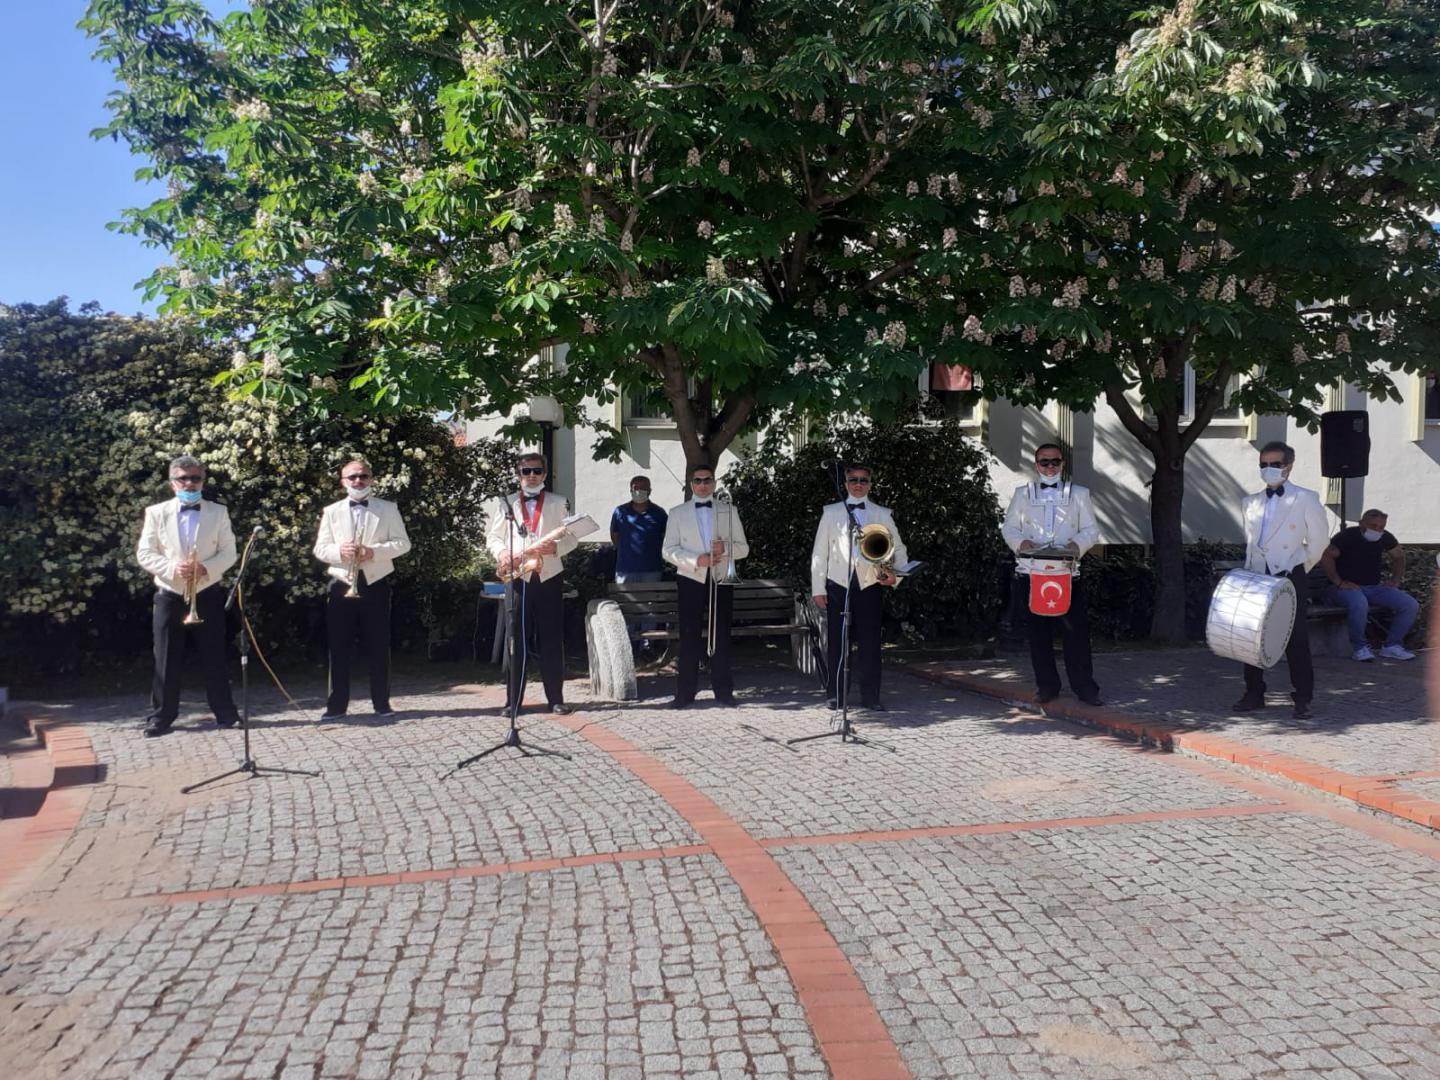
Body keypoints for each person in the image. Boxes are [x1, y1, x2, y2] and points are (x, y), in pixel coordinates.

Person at [134, 455, 241, 737]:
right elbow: (145, 553)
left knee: (214, 655)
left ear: (203, 481)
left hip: (206, 592)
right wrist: (172, 568)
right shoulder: (156, 512)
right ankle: (161, 716)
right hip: (170, 592)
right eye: (183, 478)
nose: (190, 483)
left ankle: (226, 714)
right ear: (173, 483)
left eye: (195, 478)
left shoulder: (218, 512)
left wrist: (205, 568)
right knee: (166, 658)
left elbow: (229, 552)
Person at [1000, 443, 1102, 707]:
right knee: (1038, 636)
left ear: (1062, 464)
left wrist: (1076, 546)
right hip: (1032, 574)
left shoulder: (1079, 494)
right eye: (1044, 462)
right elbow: (1009, 528)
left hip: (1066, 574)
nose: (1050, 467)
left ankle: (1085, 688)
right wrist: (1021, 543)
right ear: (1037, 465)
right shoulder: (1022, 494)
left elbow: (1090, 529)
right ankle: (1047, 686)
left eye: (1055, 462)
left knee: (1076, 635)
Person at [1234, 441, 1330, 719]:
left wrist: (1299, 566)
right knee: (1251, 636)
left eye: (1274, 464)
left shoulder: (1305, 498)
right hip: (1257, 575)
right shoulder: (1250, 502)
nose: (1268, 469)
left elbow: (1319, 541)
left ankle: (1303, 697)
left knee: (1295, 638)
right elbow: (1251, 543)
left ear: (1289, 466)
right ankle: (1254, 692)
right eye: (1263, 465)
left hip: (1288, 573)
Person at [313, 458, 412, 721]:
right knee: (338, 646)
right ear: (343, 482)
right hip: (341, 583)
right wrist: (340, 552)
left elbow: (403, 544)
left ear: (371, 479)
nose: (358, 481)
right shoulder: (331, 511)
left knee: (379, 645)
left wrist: (373, 552)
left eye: (363, 476)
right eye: (352, 477)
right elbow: (320, 549)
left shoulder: (388, 508)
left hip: (375, 581)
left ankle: (382, 704)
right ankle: (336, 706)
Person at [810, 463, 908, 712]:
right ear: (845, 484)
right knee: (837, 641)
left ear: (870, 485)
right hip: (838, 583)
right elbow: (820, 552)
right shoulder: (830, 512)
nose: (858, 484)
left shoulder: (882, 513)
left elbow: (899, 548)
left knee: (870, 642)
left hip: (870, 583)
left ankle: (871, 696)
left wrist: (895, 576)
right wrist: (818, 587)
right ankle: (835, 695)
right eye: (853, 479)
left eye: (863, 480)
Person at [487, 452, 577, 715]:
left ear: (545, 474)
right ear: (519, 475)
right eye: (526, 471)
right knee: (515, 640)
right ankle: (513, 702)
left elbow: (573, 537)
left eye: (537, 471)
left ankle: (556, 699)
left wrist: (557, 548)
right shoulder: (507, 503)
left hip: (549, 575)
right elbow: (494, 537)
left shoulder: (559, 502)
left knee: (552, 639)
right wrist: (502, 553)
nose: (532, 476)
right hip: (518, 577)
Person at [662, 465, 749, 708]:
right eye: (698, 480)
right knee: (689, 634)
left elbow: (744, 548)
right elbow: (668, 550)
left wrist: (726, 549)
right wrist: (696, 560)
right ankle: (685, 694)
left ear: (714, 483)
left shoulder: (729, 510)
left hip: (721, 577)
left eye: (707, 480)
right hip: (691, 577)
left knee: (721, 634)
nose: (702, 485)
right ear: (691, 484)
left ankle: (724, 691)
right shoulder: (677, 513)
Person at [1318, 509, 1420, 662]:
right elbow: (1326, 556)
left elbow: (1399, 556)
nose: (1377, 530)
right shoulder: (1347, 536)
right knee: (1359, 602)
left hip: (1372, 588)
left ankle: (1392, 646)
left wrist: (1395, 580)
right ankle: (1359, 648)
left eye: (1381, 527)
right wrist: (1338, 582)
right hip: (1341, 589)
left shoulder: (1385, 537)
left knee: (1410, 604)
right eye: (1373, 526)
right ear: (1361, 524)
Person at [610, 475, 669, 653]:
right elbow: (615, 535)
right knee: (626, 607)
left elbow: (666, 537)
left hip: (652, 568)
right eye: (636, 488)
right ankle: (627, 645)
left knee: (648, 608)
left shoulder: (659, 513)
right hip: (625, 569)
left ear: (650, 491)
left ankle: (646, 645)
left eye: (643, 488)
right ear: (630, 489)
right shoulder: (620, 512)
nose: (639, 491)